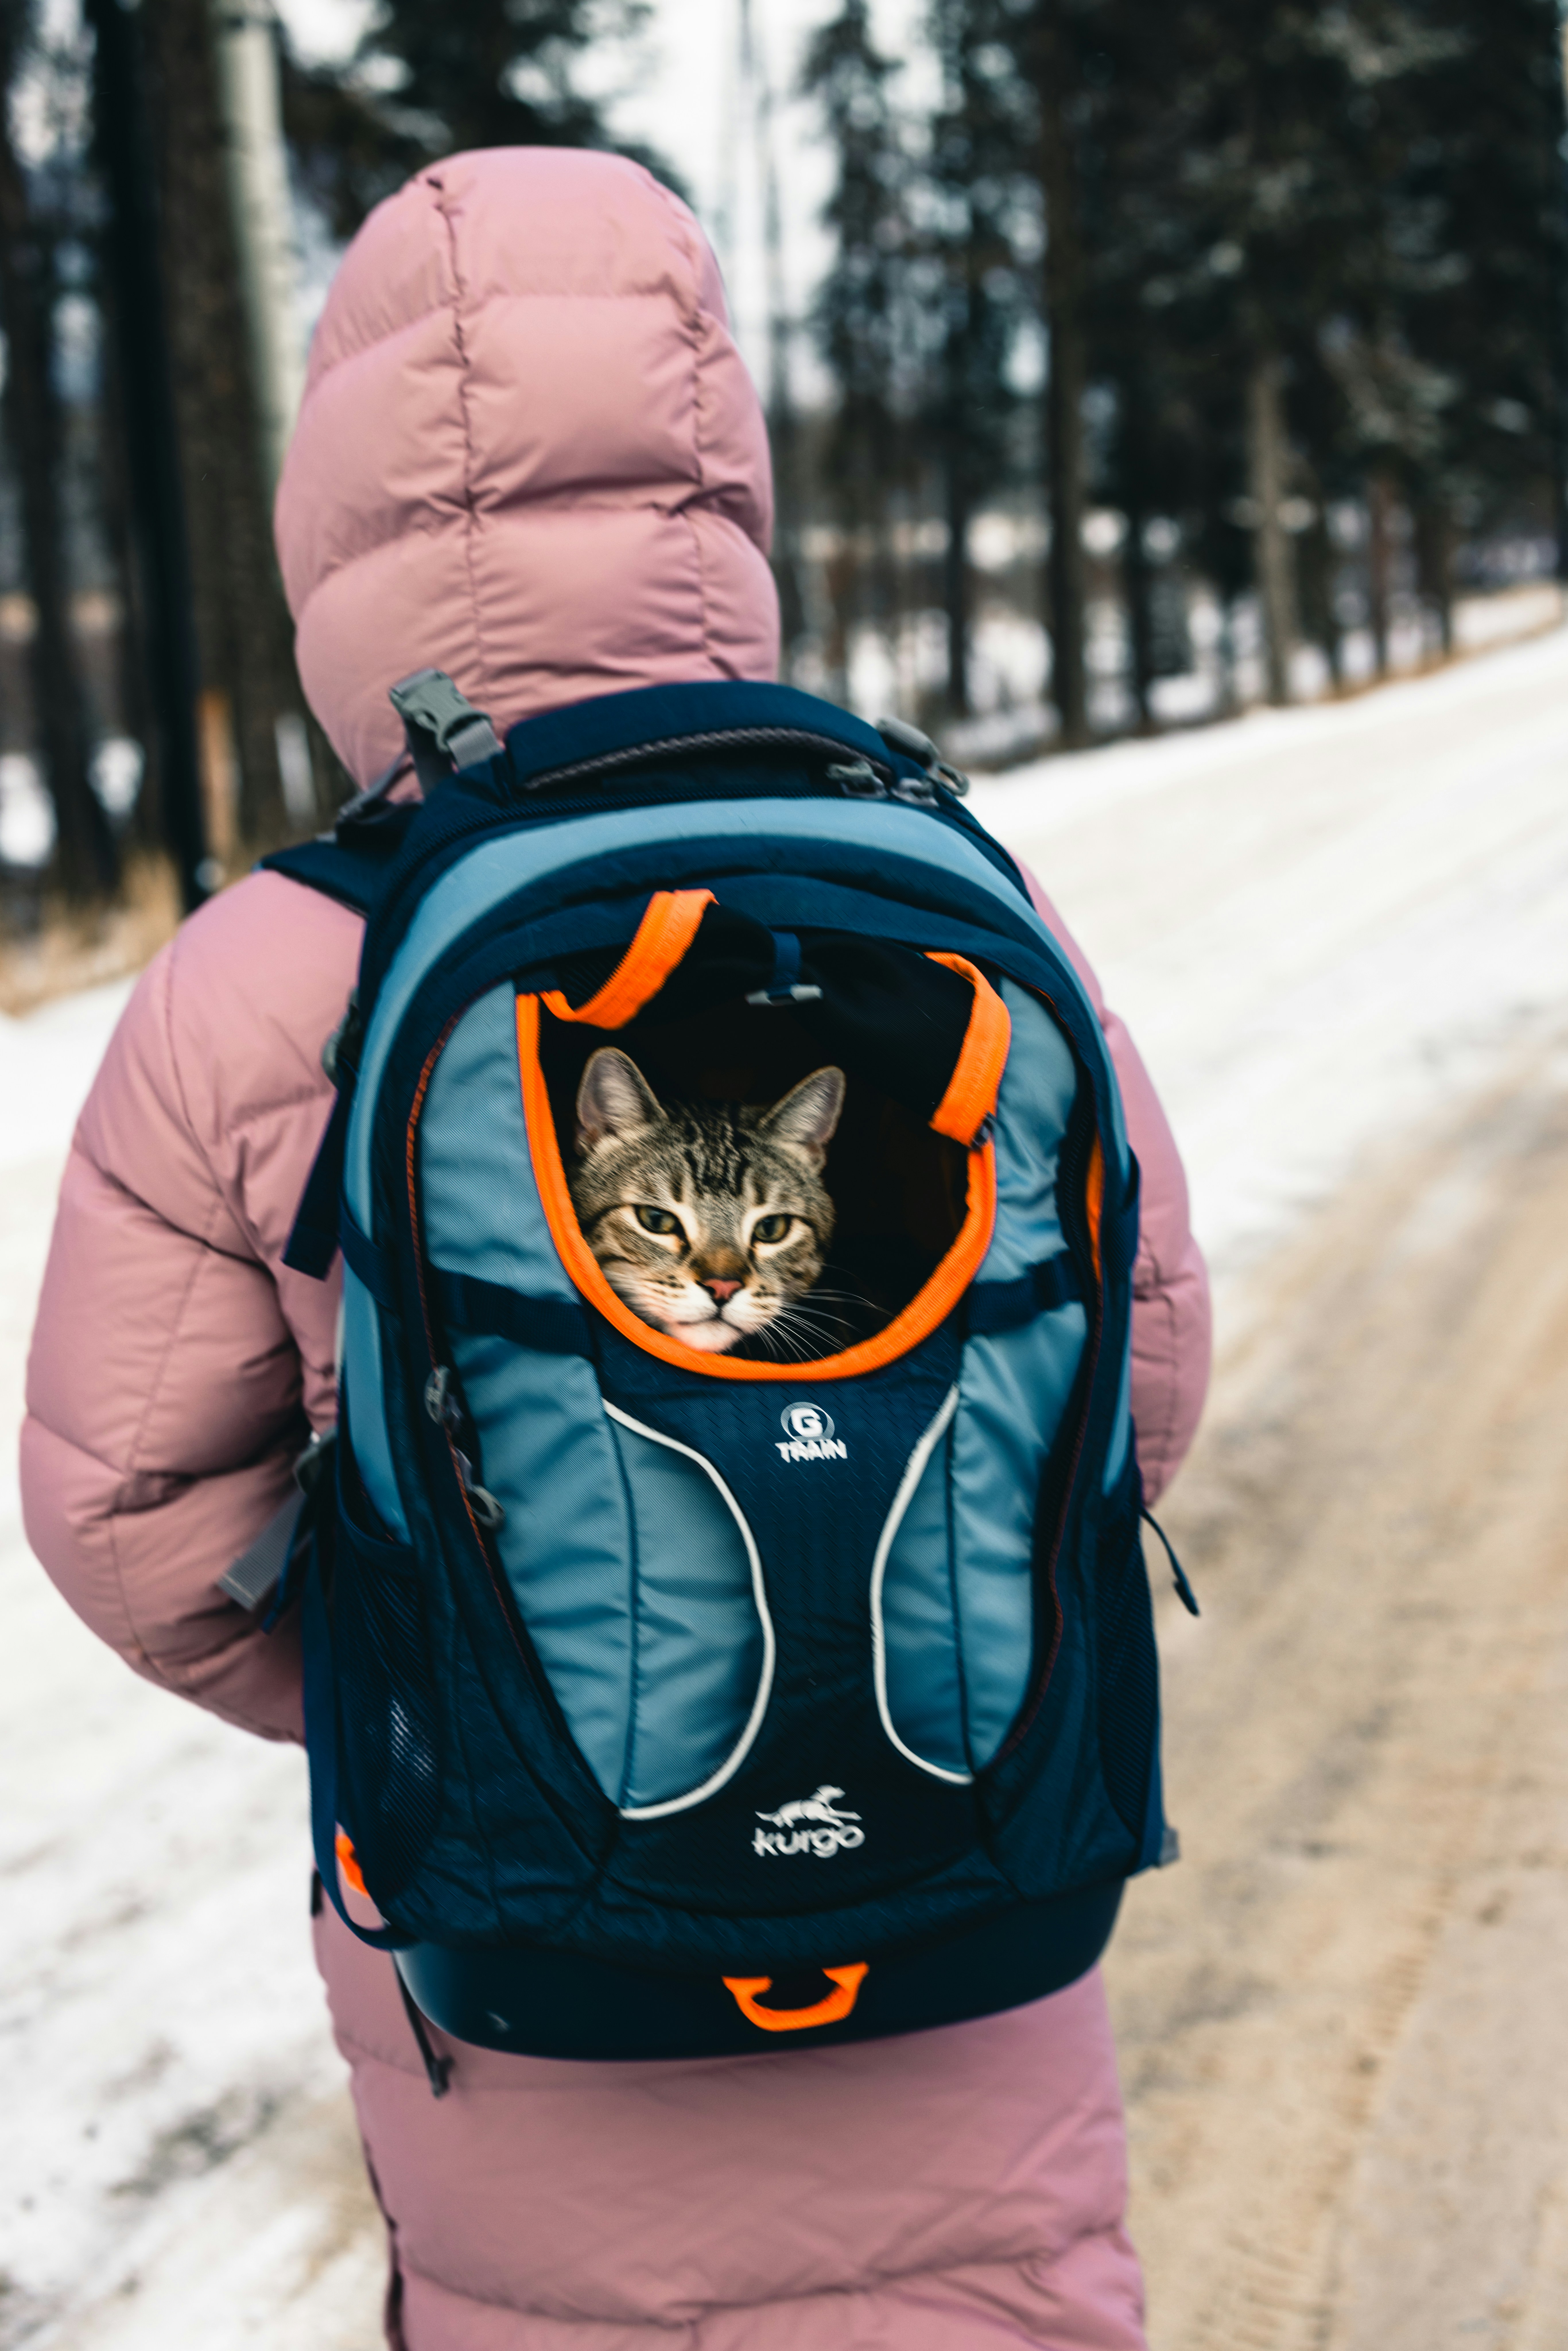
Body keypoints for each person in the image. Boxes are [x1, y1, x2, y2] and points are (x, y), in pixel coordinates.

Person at [22, 149, 1210, 2350]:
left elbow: (133, 1525)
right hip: (969, 1875)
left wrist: (475, 1664)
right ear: (722, 480)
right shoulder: (938, 877)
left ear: (331, 521)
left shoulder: (268, 967)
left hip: (539, 1936)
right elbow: (1125, 1372)